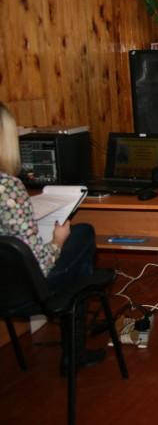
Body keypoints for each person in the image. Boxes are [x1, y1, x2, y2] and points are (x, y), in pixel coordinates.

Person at [0, 102, 105, 371]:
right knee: (82, 235)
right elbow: (40, 263)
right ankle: (75, 350)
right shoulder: (9, 188)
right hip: (25, 291)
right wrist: (58, 239)